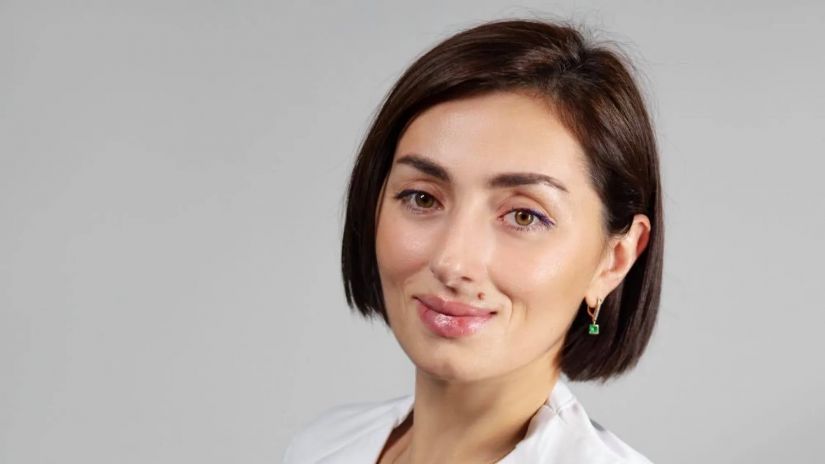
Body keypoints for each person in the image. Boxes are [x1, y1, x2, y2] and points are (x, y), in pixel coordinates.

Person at [283, 17, 663, 464]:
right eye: (422, 198)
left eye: (524, 216)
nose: (452, 261)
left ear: (614, 260)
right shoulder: (322, 446)